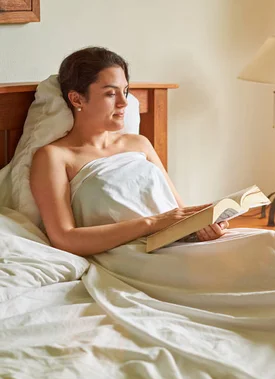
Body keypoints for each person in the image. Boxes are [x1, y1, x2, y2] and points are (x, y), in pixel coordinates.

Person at [30, 47, 228, 257]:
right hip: (133, 255)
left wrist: (202, 228)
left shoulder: (139, 143)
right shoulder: (54, 157)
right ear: (77, 99)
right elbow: (64, 238)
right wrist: (152, 223)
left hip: (178, 244)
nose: (124, 103)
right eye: (110, 93)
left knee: (265, 244)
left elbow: (179, 211)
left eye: (124, 91)